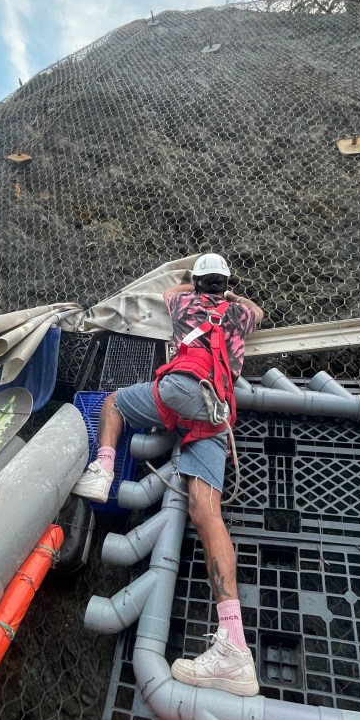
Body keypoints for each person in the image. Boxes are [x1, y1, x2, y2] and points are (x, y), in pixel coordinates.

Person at [73, 253, 264, 696]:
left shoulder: (184, 302)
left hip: (181, 389)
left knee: (115, 403)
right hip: (216, 413)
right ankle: (235, 646)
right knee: (206, 513)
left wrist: (195, 289)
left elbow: (170, 291)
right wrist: (232, 296)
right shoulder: (240, 315)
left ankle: (103, 468)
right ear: (226, 283)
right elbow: (258, 310)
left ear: (198, 283)